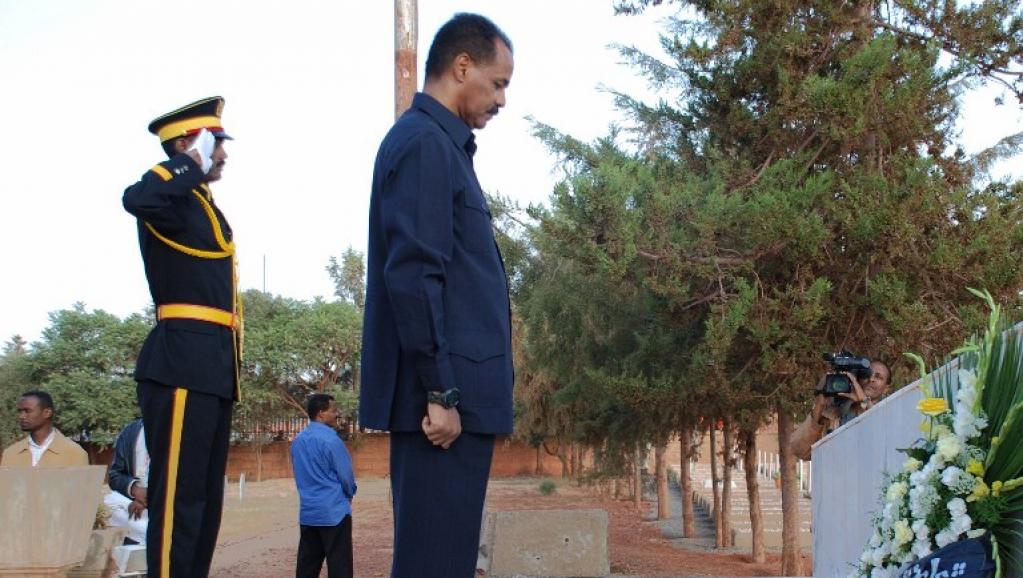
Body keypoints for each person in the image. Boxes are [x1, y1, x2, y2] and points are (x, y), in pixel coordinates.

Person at [359, 13, 516, 578]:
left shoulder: (445, 148)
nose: (501, 99)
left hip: (456, 402)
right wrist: (441, 390)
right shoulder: (425, 144)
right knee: (433, 564)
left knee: (446, 561)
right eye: (498, 83)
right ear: (462, 66)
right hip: (442, 409)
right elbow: (415, 274)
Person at [122, 96, 240, 578]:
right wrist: (186, 163)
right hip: (182, 365)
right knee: (177, 502)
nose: (224, 155)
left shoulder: (199, 205)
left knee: (204, 506)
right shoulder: (169, 197)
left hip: (211, 367)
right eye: (217, 143)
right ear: (193, 143)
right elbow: (137, 198)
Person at [291, 394, 357, 578]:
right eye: (334, 410)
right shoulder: (332, 441)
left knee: (307, 567)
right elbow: (346, 476)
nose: (338, 414)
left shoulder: (297, 441)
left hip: (309, 513)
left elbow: (299, 474)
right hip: (334, 512)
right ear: (321, 414)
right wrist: (350, 493)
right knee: (340, 567)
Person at [790, 359, 892, 460]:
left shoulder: (890, 413)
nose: (871, 379)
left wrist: (864, 402)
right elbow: (801, 451)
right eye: (867, 374)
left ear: (887, 388)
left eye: (878, 377)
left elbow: (885, 442)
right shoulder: (835, 413)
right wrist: (819, 405)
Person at [1, 390, 89, 467]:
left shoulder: (75, 453)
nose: (21, 416)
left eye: (28, 411)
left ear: (47, 413)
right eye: (20, 411)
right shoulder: (10, 454)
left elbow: (81, 486)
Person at [105, 417, 149, 545]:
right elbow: (114, 475)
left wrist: (151, 497)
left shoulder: (181, 431)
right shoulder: (131, 432)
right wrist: (135, 489)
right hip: (136, 518)